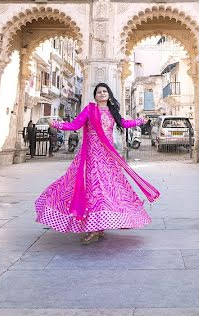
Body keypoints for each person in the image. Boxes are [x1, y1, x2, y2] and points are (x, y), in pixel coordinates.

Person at [35, 83, 160, 244]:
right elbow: (75, 125)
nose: (102, 94)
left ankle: (99, 225)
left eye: (105, 91)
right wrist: (57, 125)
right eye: (99, 92)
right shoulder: (89, 109)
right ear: (95, 96)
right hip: (91, 156)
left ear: (108, 95)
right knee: (93, 190)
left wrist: (139, 121)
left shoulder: (112, 111)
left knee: (110, 190)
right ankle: (94, 228)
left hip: (107, 156)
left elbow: (123, 123)